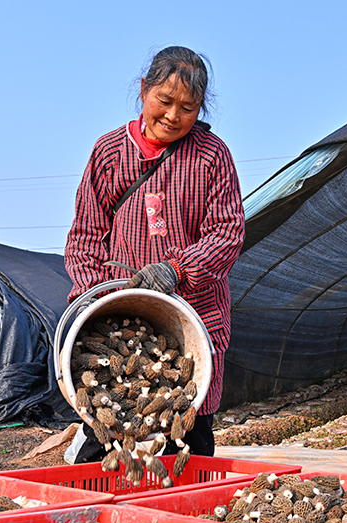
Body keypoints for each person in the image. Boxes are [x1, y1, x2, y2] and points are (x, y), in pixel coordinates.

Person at [65, 46, 245, 462]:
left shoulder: (211, 155)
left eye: (187, 108)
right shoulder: (109, 152)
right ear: (144, 89)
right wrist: (96, 297)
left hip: (193, 316)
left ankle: (189, 498)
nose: (173, 115)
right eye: (164, 100)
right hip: (122, 318)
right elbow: (86, 235)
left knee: (189, 430)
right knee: (110, 419)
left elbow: (228, 232)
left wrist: (178, 269)